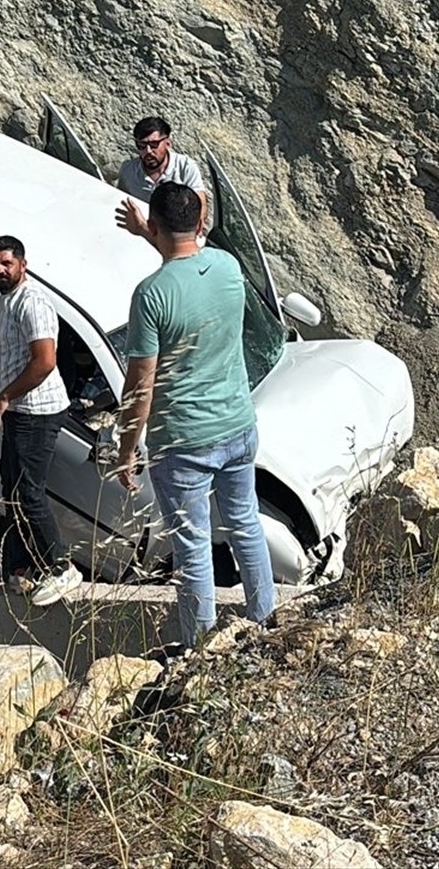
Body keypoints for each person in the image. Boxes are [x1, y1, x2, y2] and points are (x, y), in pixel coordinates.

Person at [115, 182, 274, 648]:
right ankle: (265, 620)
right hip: (238, 425)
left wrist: (126, 450)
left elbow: (141, 382)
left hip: (184, 440)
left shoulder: (151, 295)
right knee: (245, 524)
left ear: (157, 223)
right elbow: (189, 266)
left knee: (193, 548)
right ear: (199, 221)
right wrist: (156, 233)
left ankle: (199, 651)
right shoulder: (228, 267)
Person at [0, 235, 83, 607]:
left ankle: (62, 567)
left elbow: (44, 361)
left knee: (29, 491)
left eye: (7, 264)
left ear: (23, 264)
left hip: (37, 410)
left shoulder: (33, 302)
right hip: (20, 411)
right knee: (10, 488)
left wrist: (5, 396)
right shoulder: (6, 299)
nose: (0, 270)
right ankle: (25, 564)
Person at [115, 115, 208, 244]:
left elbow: (200, 203)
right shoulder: (128, 170)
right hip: (140, 239)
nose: (148, 151)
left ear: (168, 143)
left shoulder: (185, 167)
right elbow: (122, 205)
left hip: (180, 238)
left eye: (154, 145)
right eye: (141, 145)